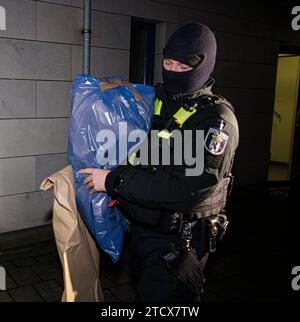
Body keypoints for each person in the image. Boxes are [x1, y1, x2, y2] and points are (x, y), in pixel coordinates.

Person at [80, 23, 239, 302]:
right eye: (168, 63)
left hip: (179, 242)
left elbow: (186, 189)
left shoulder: (215, 120)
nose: (173, 71)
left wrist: (114, 182)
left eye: (183, 66)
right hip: (144, 232)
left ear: (204, 66)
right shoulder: (159, 100)